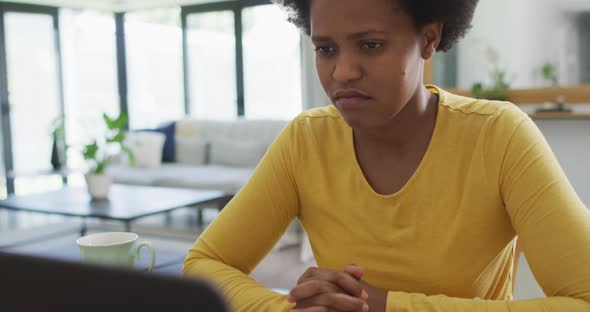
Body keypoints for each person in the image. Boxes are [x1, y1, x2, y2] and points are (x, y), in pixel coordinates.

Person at [182, 0, 590, 310]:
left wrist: (384, 303)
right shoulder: (306, 141)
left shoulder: (498, 136)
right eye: (325, 49)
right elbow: (204, 263)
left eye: (370, 45)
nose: (343, 72)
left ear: (429, 38)